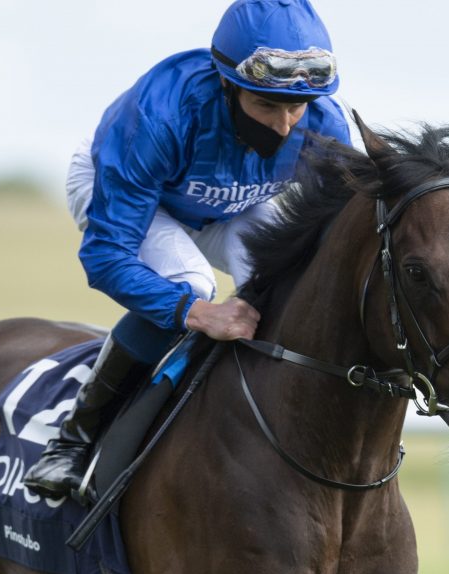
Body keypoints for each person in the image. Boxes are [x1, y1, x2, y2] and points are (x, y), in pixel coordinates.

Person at [24, 0, 351, 499]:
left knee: (288, 281)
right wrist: (197, 314)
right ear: (227, 84)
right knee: (192, 284)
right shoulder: (161, 117)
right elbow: (107, 256)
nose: (286, 126)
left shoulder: (325, 125)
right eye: (266, 105)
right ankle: (73, 440)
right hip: (125, 188)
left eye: (296, 106)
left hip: (230, 201)